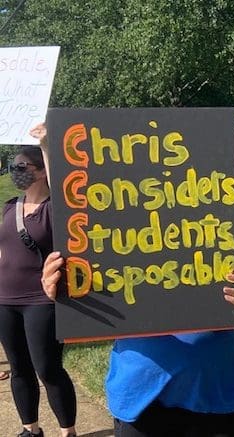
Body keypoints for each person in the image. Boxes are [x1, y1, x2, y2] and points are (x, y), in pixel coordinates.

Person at [40, 122, 234, 437]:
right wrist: (62, 289)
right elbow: (92, 289)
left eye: (222, 151)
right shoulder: (121, 220)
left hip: (219, 399)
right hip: (138, 398)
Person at [0, 129, 78, 437]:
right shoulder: (10, 206)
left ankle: (67, 430)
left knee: (47, 369)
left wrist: (46, 144)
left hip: (40, 301)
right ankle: (30, 429)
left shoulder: (55, 209)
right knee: (19, 369)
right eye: (12, 167)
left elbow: (61, 180)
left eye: (22, 168)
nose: (14, 173)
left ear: (43, 171)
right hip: (5, 299)